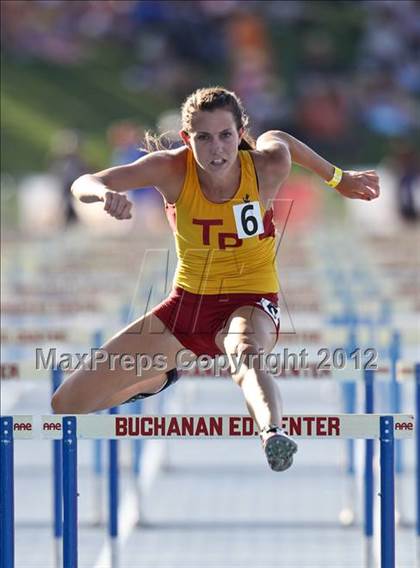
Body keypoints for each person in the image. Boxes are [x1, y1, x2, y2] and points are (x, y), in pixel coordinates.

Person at [51, 87, 380, 472]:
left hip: (251, 300)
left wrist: (338, 178)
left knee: (244, 352)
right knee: (67, 403)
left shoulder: (266, 166)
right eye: (204, 138)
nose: (216, 149)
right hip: (187, 306)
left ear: (241, 134)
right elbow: (83, 182)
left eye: (225, 135)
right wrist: (104, 193)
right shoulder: (171, 169)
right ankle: (162, 376)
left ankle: (272, 433)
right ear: (188, 139)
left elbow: (283, 139)